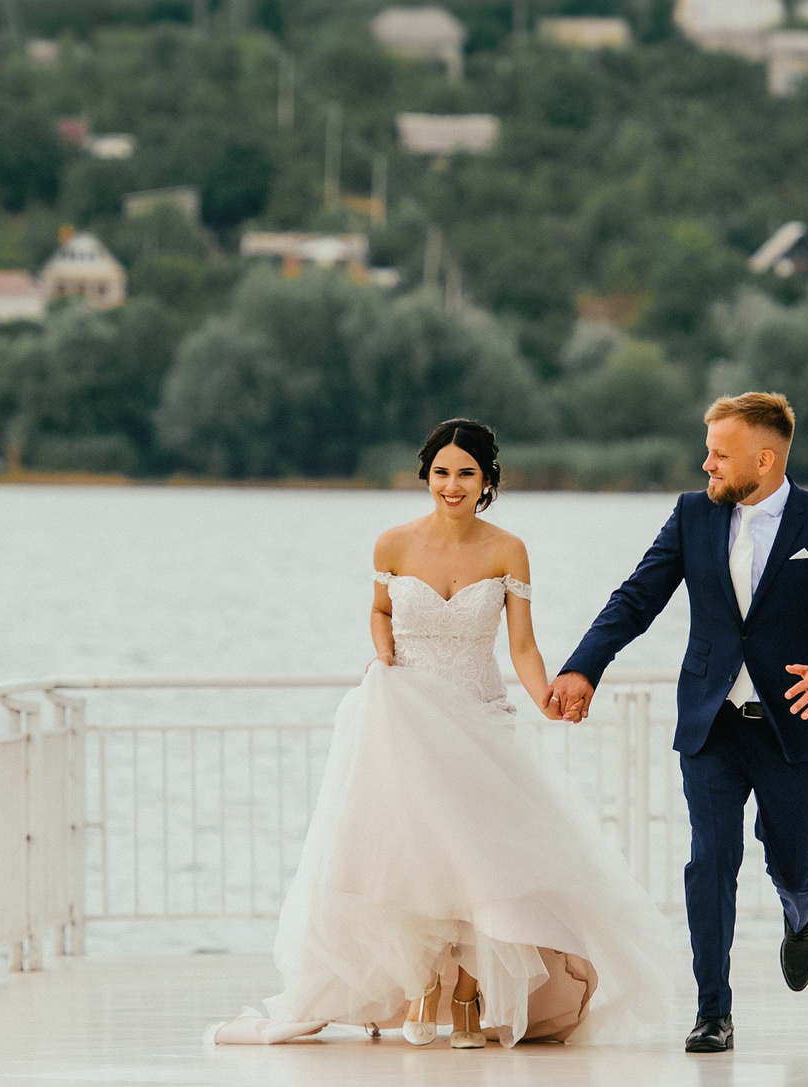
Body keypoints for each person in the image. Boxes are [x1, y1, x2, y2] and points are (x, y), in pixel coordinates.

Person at [213, 418, 681, 1049]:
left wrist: (546, 693)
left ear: (487, 479)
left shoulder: (507, 549)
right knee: (413, 857)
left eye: (466, 473)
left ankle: (468, 995)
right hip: (402, 716)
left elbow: (521, 643)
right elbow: (380, 611)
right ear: (425, 475)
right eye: (441, 472)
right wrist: (383, 655)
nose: (452, 485)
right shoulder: (392, 544)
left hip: (476, 716)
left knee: (479, 859)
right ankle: (424, 987)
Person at [548, 392, 808, 1054]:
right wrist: (583, 666)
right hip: (712, 725)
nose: (705, 463)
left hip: (793, 725)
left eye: (719, 453)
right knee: (711, 859)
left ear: (764, 458)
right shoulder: (691, 516)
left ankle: (800, 908)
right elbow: (636, 598)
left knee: (788, 857)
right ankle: (713, 1011)